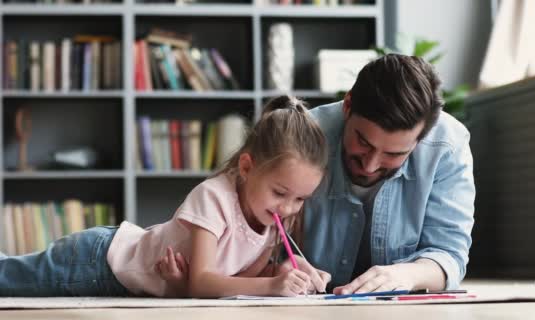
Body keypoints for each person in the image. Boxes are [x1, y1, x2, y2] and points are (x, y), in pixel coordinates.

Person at [157, 54, 475, 295]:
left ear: (419, 140)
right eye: (362, 143)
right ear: (348, 106)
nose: (370, 165)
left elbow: (449, 254)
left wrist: (408, 275)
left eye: (394, 154)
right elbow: (250, 227)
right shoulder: (302, 139)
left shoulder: (447, 147)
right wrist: (282, 268)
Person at [0, 95, 331, 298]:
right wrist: (272, 287)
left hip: (123, 286)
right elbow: (202, 284)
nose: (288, 208)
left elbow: (233, 282)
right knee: (7, 278)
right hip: (99, 262)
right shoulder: (215, 197)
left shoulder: (271, 221)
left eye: (300, 199)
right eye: (280, 192)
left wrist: (284, 271)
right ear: (247, 166)